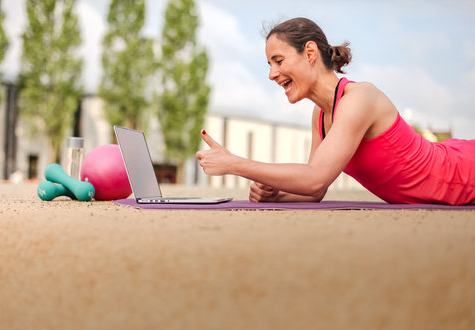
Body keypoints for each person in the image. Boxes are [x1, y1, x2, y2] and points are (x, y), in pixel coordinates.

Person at [195, 17, 475, 205]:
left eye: (278, 61)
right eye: (269, 64)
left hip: (465, 174)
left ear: (309, 53)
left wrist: (234, 164)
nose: (272, 74)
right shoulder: (320, 115)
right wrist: (277, 194)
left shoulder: (359, 98)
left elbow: (315, 177)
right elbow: (315, 189)